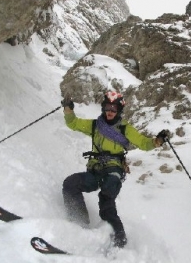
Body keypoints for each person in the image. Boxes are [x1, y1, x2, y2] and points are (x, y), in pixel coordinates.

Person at [61, 91, 169, 248]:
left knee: (108, 192)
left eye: (114, 108)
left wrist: (157, 141)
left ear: (119, 110)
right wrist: (68, 110)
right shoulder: (95, 125)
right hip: (95, 171)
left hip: (113, 171)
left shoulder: (126, 129)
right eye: (107, 107)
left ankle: (119, 239)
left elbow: (144, 143)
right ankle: (79, 224)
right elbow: (73, 123)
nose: (110, 112)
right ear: (103, 108)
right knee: (70, 184)